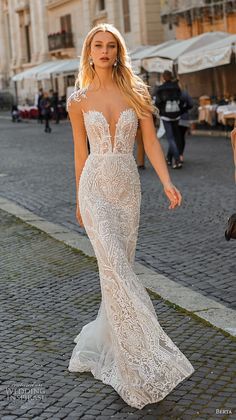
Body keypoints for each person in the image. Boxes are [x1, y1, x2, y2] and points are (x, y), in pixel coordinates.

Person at [67, 23, 194, 410]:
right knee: (116, 270)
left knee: (118, 269)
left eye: (110, 46)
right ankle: (140, 361)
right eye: (98, 45)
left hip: (126, 191)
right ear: (89, 52)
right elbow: (79, 153)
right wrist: (78, 198)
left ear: (118, 52)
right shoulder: (78, 99)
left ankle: (110, 339)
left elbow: (151, 142)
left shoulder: (136, 93)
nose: (104, 51)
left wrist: (166, 181)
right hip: (94, 189)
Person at [154, 70, 183, 169]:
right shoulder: (176, 87)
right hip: (176, 115)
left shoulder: (160, 89)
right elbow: (181, 99)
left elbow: (157, 102)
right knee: (174, 138)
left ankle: (177, 159)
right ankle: (169, 158)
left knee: (170, 138)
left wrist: (160, 111)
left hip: (165, 115)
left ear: (163, 77)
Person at [178, 90, 194, 163]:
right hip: (184, 117)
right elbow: (191, 104)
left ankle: (175, 155)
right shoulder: (184, 93)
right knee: (181, 137)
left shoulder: (168, 91)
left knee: (174, 138)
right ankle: (180, 155)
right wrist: (184, 109)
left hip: (172, 118)